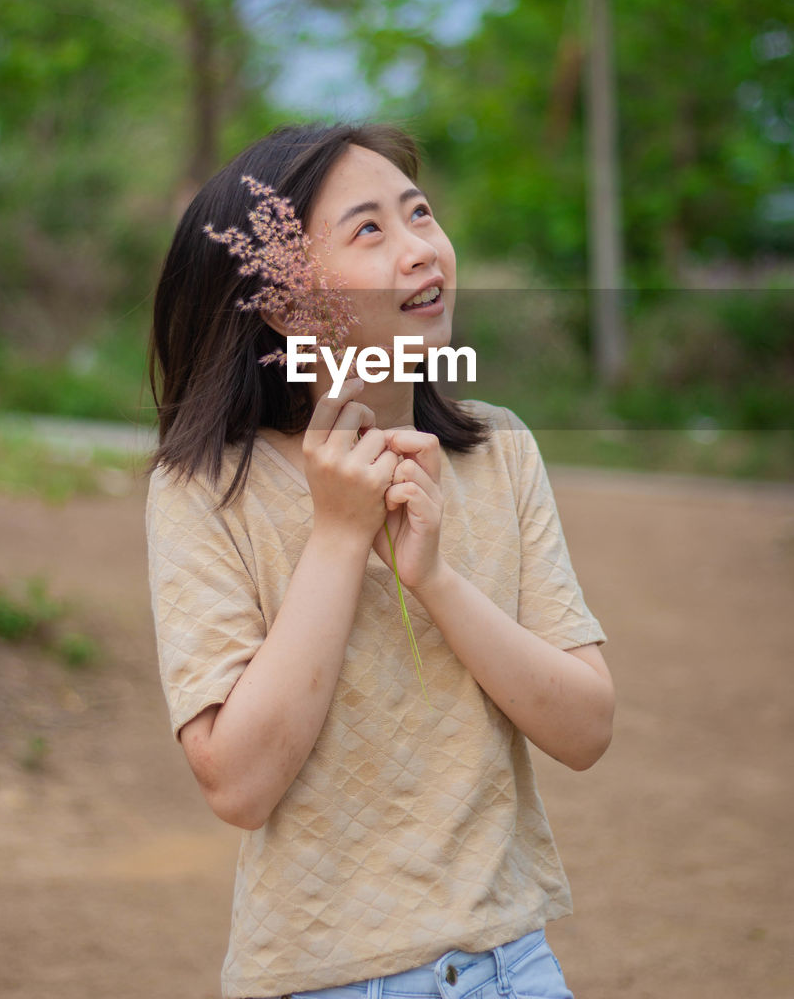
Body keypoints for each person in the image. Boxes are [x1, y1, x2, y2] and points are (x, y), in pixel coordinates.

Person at [146, 121, 615, 999]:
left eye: (420, 214)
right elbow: (237, 785)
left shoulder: (499, 451)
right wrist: (335, 535)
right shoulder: (208, 489)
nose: (419, 250)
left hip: (514, 964)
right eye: (369, 230)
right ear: (286, 305)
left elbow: (585, 728)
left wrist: (433, 578)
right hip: (328, 979)